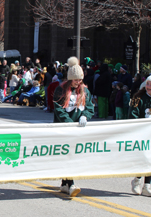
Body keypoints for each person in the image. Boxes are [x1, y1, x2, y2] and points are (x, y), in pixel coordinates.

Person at [53, 56, 94, 197]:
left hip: (78, 130)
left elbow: (89, 107)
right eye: (76, 79)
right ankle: (71, 185)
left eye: (80, 79)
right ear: (70, 78)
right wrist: (68, 122)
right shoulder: (61, 90)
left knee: (72, 156)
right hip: (64, 129)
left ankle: (65, 184)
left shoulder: (84, 91)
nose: (79, 82)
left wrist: (85, 116)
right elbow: (58, 108)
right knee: (67, 156)